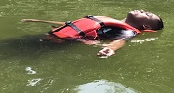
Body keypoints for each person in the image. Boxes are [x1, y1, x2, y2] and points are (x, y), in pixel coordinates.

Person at [22, 10, 163, 58]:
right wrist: (39, 21)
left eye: (147, 14)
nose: (142, 10)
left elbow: (121, 40)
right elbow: (72, 24)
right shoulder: (111, 22)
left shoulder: (128, 31)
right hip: (51, 38)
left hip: (56, 43)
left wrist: (111, 49)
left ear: (145, 26)